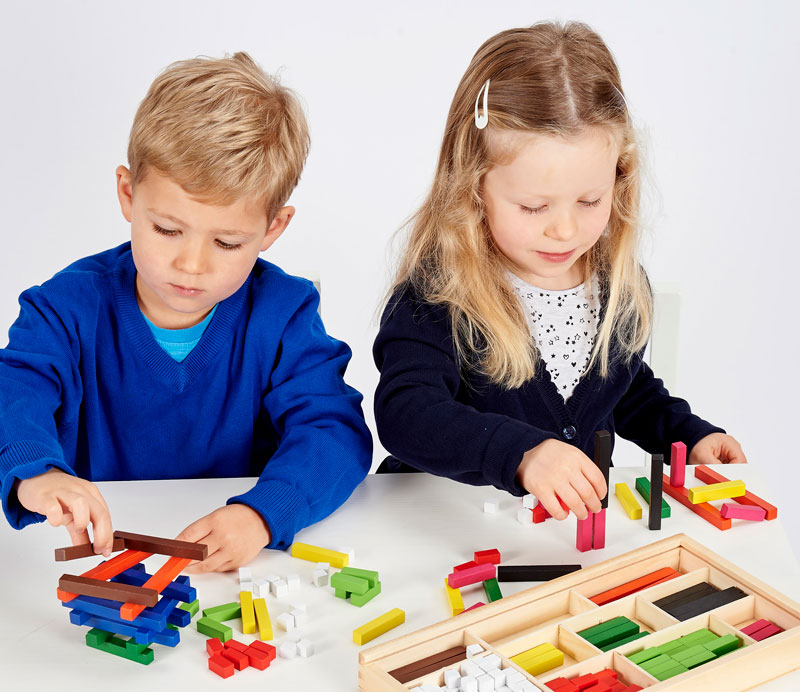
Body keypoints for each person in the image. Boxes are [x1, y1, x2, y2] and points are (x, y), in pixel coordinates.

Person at [0, 52, 372, 571]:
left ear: (272, 229)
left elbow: (333, 430)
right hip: (94, 559)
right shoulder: (65, 307)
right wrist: (35, 472)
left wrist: (264, 515)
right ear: (128, 194)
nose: (190, 264)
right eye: (168, 230)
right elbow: (15, 389)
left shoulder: (284, 313)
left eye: (226, 241)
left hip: (233, 565)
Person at [373, 22, 744, 523]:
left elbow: (627, 390)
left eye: (590, 200)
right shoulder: (439, 294)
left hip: (557, 541)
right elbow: (406, 414)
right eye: (533, 206)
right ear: (472, 187)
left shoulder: (619, 288)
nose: (565, 230)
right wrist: (521, 454)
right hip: (439, 531)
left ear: (620, 178)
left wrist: (690, 436)